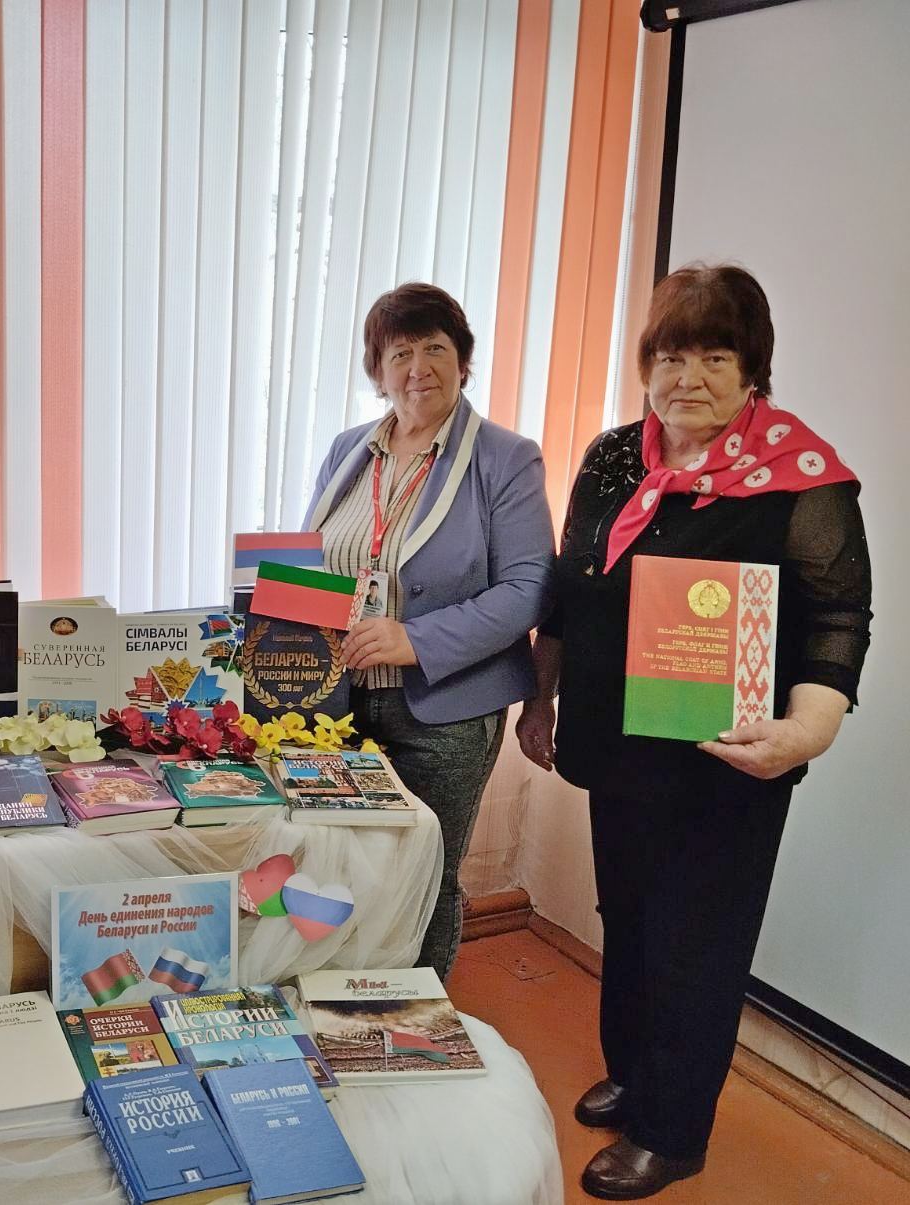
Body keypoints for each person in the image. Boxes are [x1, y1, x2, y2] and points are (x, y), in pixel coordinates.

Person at [516, 264, 871, 1199]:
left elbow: (840, 616)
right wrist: (541, 698)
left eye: (716, 356)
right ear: (647, 364)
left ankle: (673, 1132)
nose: (689, 378)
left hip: (728, 764)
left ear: (753, 369)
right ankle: (637, 1074)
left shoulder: (802, 477)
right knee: (629, 921)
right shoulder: (613, 457)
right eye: (671, 356)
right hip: (617, 747)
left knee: (697, 943)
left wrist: (807, 730)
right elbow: (571, 585)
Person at [303, 282, 554, 979]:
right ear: (378, 371)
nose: (419, 367)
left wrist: (416, 639)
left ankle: (415, 1017)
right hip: (339, 702)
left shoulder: (506, 457)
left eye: (435, 349)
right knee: (336, 863)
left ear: (463, 361)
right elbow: (311, 563)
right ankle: (341, 1006)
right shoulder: (348, 450)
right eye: (400, 352)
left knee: (425, 874)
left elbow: (530, 588)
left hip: (446, 709)